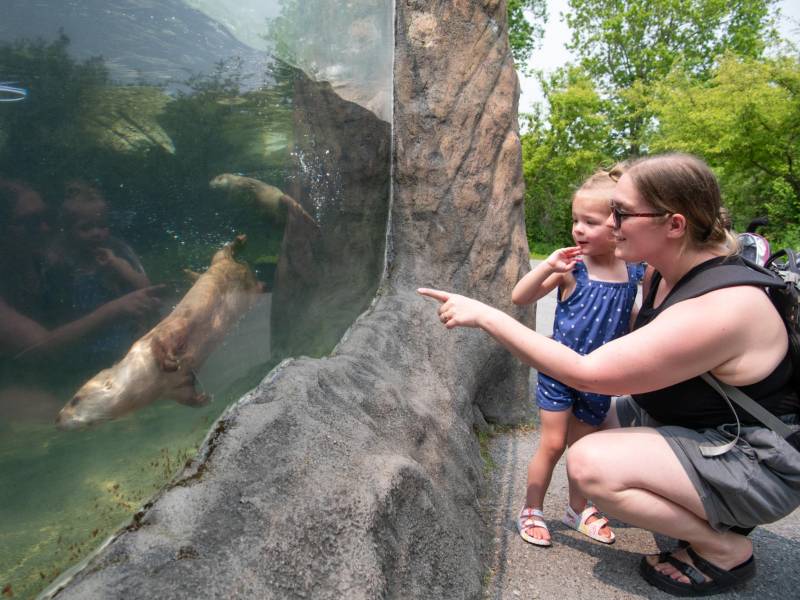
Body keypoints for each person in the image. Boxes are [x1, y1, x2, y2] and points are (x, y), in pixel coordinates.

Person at [418, 153, 800, 596]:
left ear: (674, 224)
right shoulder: (661, 271)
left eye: (620, 213)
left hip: (760, 463)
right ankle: (701, 506)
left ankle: (723, 548)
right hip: (709, 426)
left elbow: (588, 373)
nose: (609, 223)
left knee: (589, 463)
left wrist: (485, 316)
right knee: (591, 423)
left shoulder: (723, 307)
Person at [512, 170, 643, 547]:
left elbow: (630, 317)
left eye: (590, 222)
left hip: (599, 376)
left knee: (583, 448)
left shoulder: (633, 269)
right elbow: (520, 297)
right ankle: (532, 508)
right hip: (558, 372)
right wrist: (546, 267)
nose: (578, 230)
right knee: (553, 444)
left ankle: (577, 508)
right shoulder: (573, 268)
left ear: (618, 225)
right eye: (575, 220)